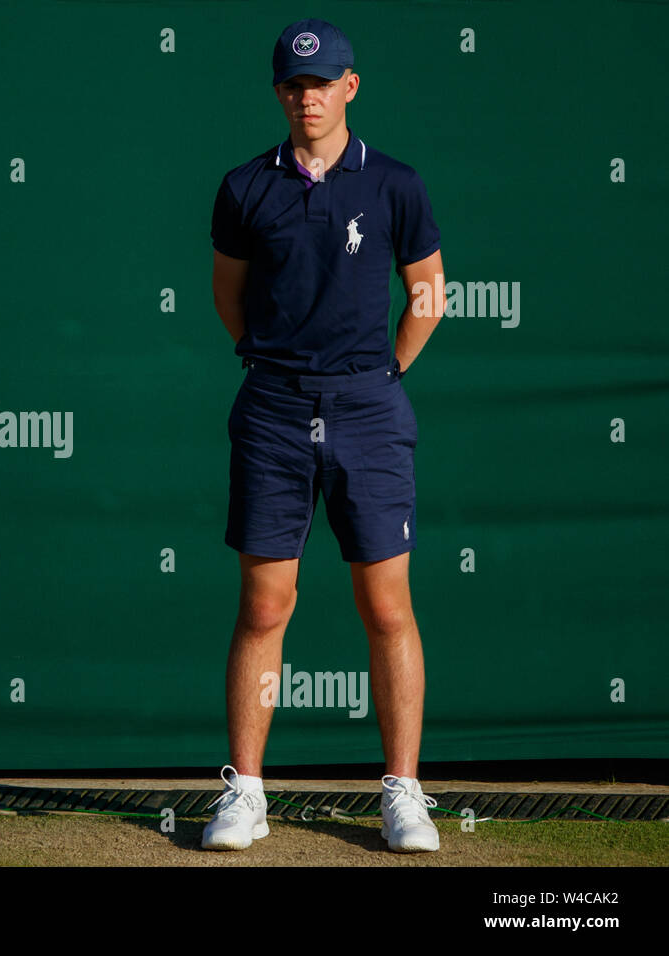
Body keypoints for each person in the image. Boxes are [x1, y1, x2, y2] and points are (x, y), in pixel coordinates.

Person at [204, 19, 445, 852]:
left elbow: (426, 295)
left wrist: (381, 377)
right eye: (294, 85)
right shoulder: (245, 188)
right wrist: (282, 366)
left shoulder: (397, 185)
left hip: (369, 410)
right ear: (280, 92)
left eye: (324, 83)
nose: (308, 97)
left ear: (350, 86)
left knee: (387, 605)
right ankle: (246, 793)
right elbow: (228, 297)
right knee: (265, 603)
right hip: (272, 407)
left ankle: (404, 792)